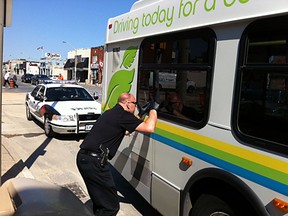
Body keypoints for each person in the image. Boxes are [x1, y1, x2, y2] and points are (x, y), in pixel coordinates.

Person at [76, 92, 158, 216]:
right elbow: (149, 128)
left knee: (101, 203)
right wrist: (153, 110)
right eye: (135, 104)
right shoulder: (123, 115)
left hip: (85, 159)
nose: (136, 107)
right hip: (94, 163)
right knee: (110, 207)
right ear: (128, 104)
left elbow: (123, 131)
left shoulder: (112, 112)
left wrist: (139, 117)